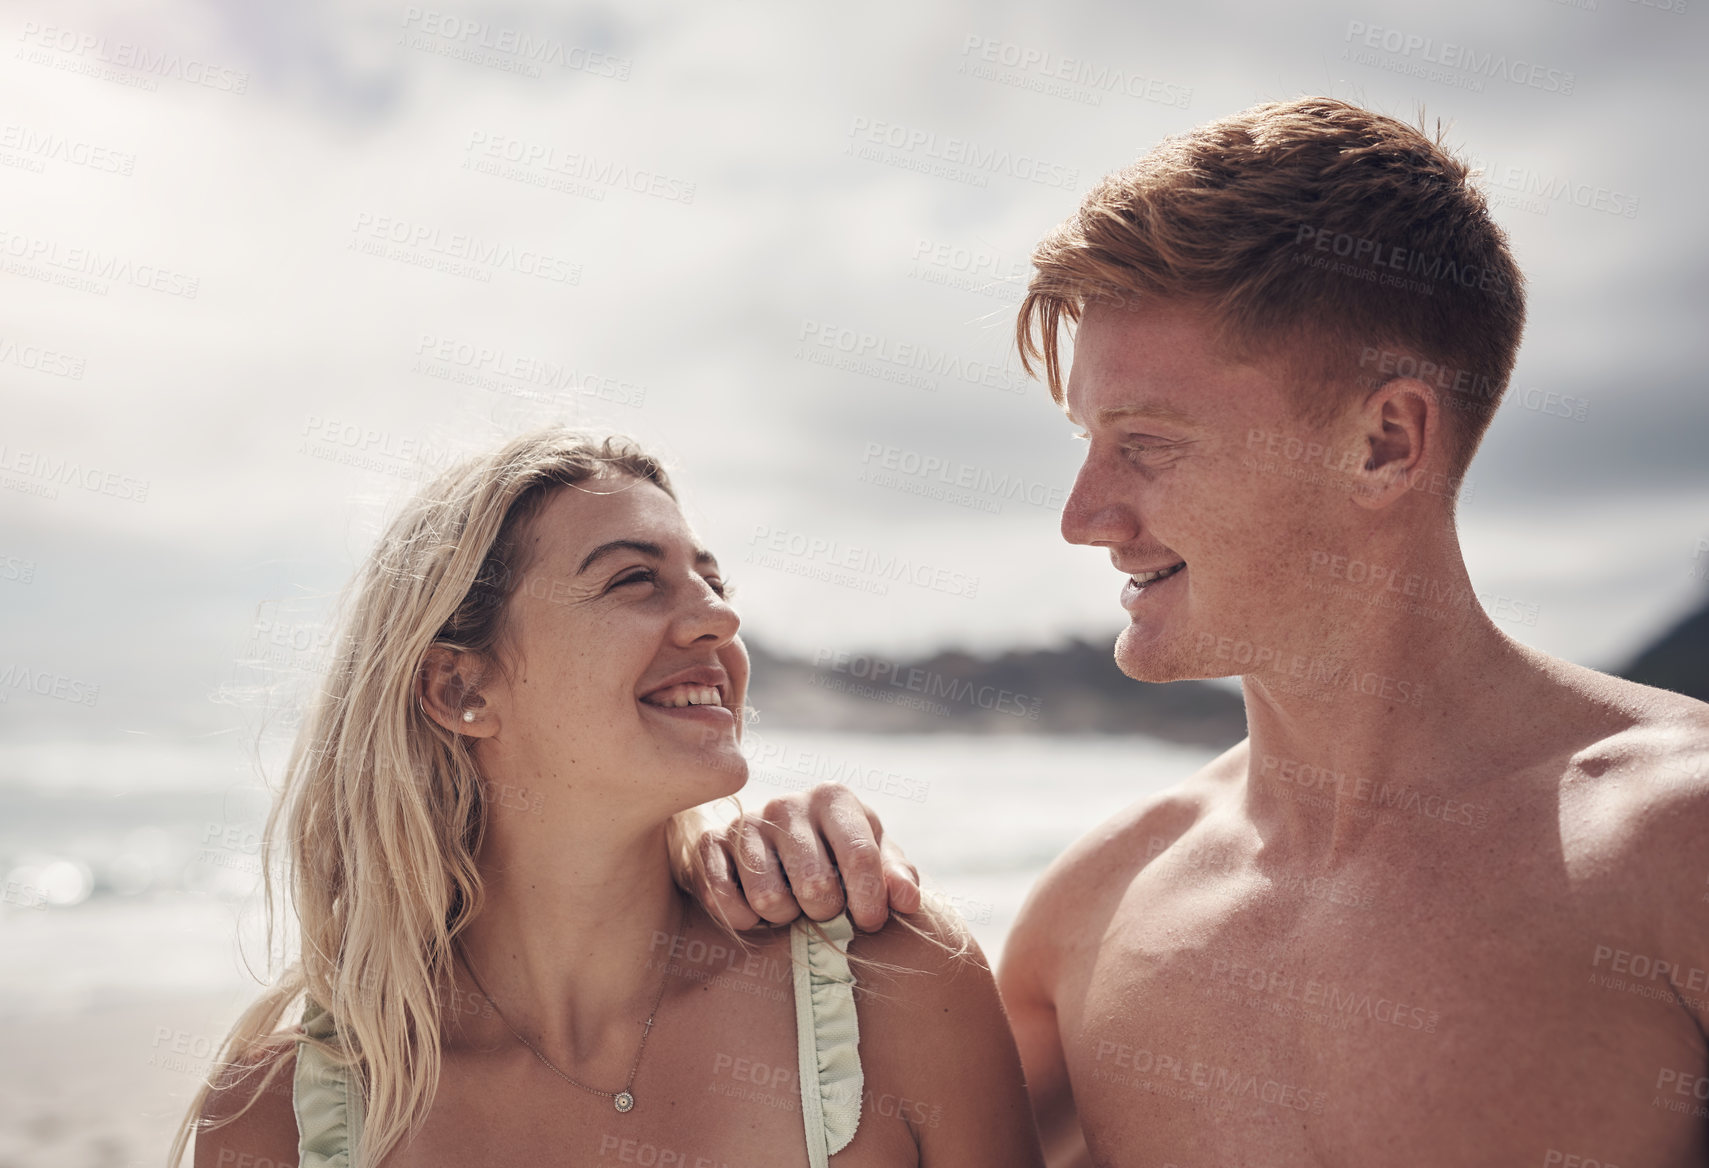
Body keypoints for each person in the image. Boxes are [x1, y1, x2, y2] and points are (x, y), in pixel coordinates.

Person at [685, 98, 1709, 1166]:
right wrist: (740, 901)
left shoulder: (1672, 844)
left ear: (1384, 442)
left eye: (1147, 444)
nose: (1083, 517)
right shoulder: (1094, 911)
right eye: (1087, 441)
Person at [174, 429, 1043, 1167]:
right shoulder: (277, 1118)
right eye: (634, 580)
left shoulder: (886, 985)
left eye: (712, 582)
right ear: (458, 690)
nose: (718, 618)